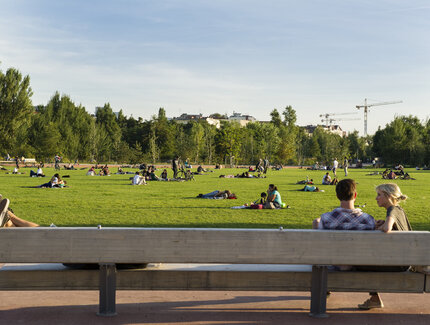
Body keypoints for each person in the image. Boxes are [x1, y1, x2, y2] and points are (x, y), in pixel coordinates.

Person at [356, 183, 412, 310]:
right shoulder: (399, 210)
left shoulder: (392, 210)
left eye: (379, 195)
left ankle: (374, 299)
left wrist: (381, 226)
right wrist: (384, 222)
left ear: (389, 196)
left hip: (400, 263)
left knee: (358, 263)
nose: (376, 198)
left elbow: (387, 228)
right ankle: (374, 298)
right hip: (405, 259)